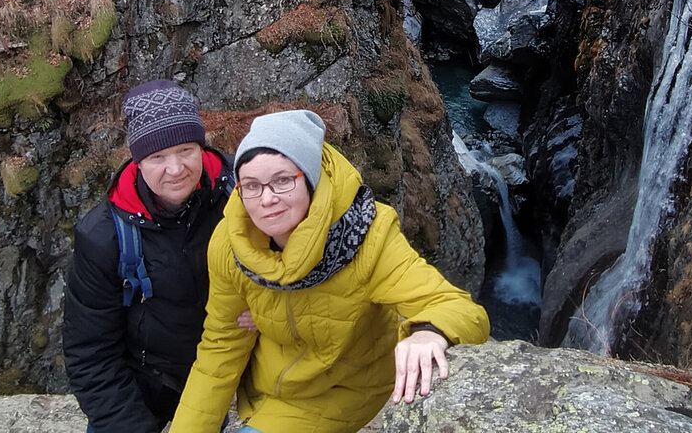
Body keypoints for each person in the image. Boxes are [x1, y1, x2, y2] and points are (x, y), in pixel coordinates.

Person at [172, 108, 490, 433]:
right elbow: (220, 347)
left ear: (310, 180)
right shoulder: (232, 244)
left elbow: (459, 308)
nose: (266, 199)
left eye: (282, 180)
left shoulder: (366, 235)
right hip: (265, 392)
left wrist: (428, 332)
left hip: (344, 393)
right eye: (251, 185)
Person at [63, 81, 233, 433]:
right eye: (157, 156)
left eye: (186, 149)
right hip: (140, 383)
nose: (175, 169)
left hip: (219, 373)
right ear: (138, 161)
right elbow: (91, 351)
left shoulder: (242, 194)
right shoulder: (104, 235)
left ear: (201, 147)